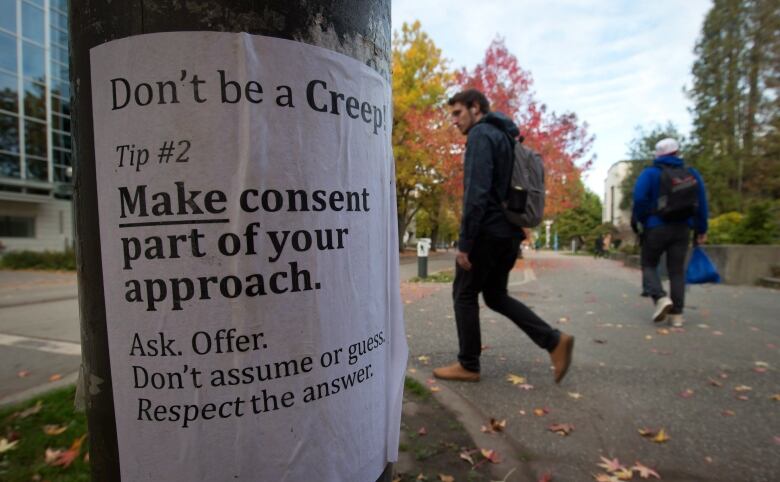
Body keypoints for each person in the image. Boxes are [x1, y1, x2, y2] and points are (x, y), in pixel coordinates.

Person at [432, 89, 574, 384]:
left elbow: (476, 193)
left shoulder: (481, 135)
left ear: (475, 107)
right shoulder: (507, 138)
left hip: (487, 232)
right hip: (508, 232)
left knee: (464, 293)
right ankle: (554, 341)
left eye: (458, 113)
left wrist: (465, 244)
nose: (454, 121)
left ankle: (468, 365)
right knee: (495, 296)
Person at [632, 138, 708, 327]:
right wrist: (701, 229)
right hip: (682, 228)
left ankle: (660, 298)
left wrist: (643, 220)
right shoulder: (691, 174)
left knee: (649, 264)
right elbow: (701, 203)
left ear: (657, 155)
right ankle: (677, 316)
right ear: (677, 152)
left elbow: (639, 199)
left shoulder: (650, 174)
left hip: (656, 226)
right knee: (676, 271)